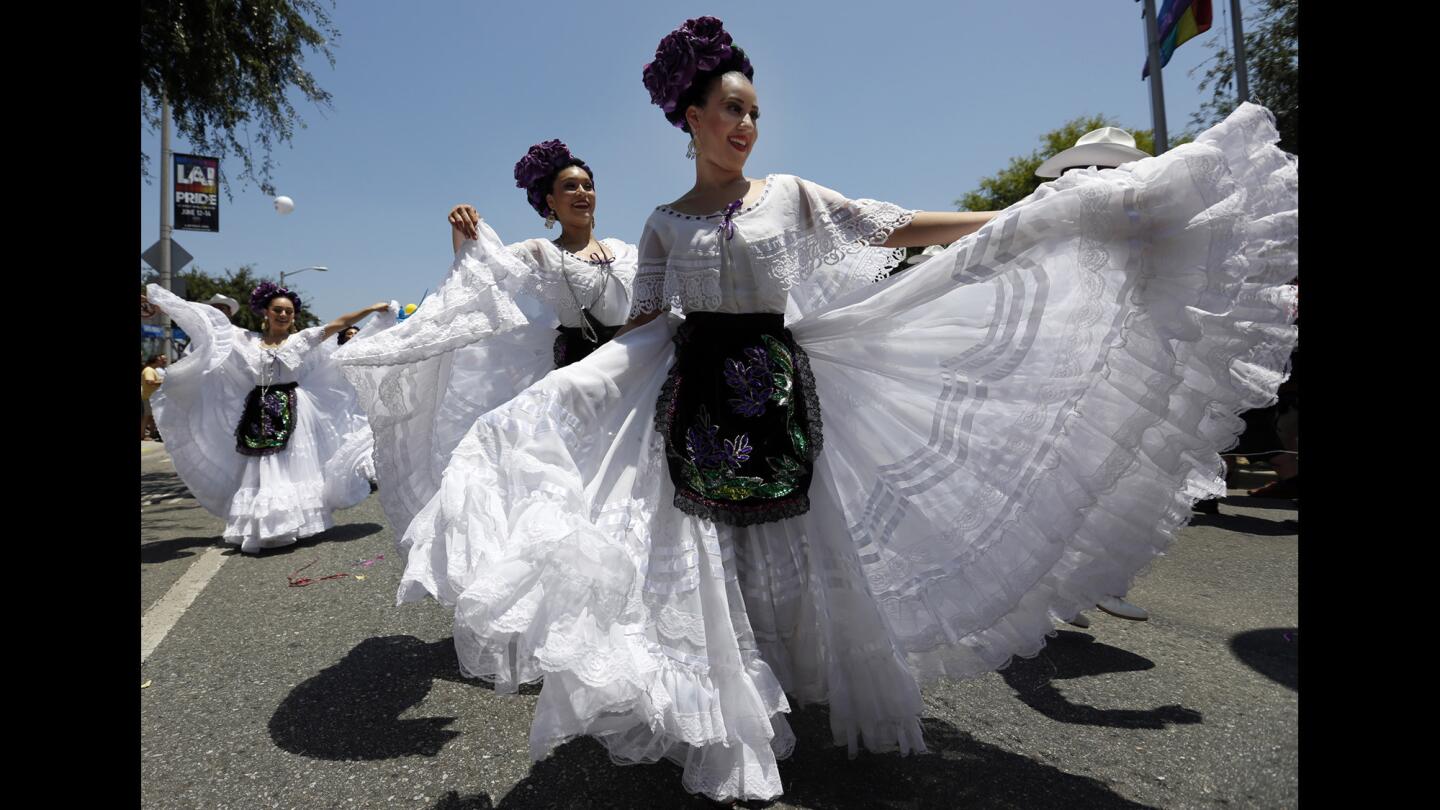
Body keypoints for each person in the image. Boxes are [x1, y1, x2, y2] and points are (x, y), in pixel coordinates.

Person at [402, 18, 1298, 804]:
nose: (747, 126)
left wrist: (1018, 218)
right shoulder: (667, 223)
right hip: (699, 403)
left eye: (754, 110)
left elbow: (896, 226)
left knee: (804, 541)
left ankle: (795, 682)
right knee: (712, 558)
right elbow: (643, 324)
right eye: (730, 111)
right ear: (690, 120)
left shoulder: (789, 196)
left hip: (785, 391)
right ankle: (733, 711)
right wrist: (565, 397)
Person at [336, 140, 639, 551]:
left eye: (587, 185)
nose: (582, 193)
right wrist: (464, 231)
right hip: (578, 378)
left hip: (635, 372)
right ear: (550, 201)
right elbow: (478, 276)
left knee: (638, 477)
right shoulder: (540, 254)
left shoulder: (627, 251)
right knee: (585, 479)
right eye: (569, 187)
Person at [140, 281, 392, 553]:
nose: (283, 315)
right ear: (266, 313)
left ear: (294, 316)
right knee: (260, 467)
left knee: (289, 464)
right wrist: (160, 302)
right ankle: (263, 525)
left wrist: (371, 308)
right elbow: (206, 322)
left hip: (295, 410)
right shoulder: (245, 341)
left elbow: (340, 323)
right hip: (258, 410)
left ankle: (291, 523)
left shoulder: (302, 340)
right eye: (278, 310)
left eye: (288, 311)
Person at [1035, 126, 1157, 626]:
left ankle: (1088, 583)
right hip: (1059, 360)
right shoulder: (1053, 206)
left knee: (1116, 473)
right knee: (1062, 475)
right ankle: (1058, 589)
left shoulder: (1141, 211)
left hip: (1120, 356)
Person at [140, 354, 167, 440]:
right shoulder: (149, 370)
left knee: (151, 417)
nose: (161, 361)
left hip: (151, 397)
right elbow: (149, 381)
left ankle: (151, 434)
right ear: (154, 361)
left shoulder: (152, 370)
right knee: (147, 417)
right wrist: (163, 382)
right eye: (159, 359)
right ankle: (143, 435)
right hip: (149, 397)